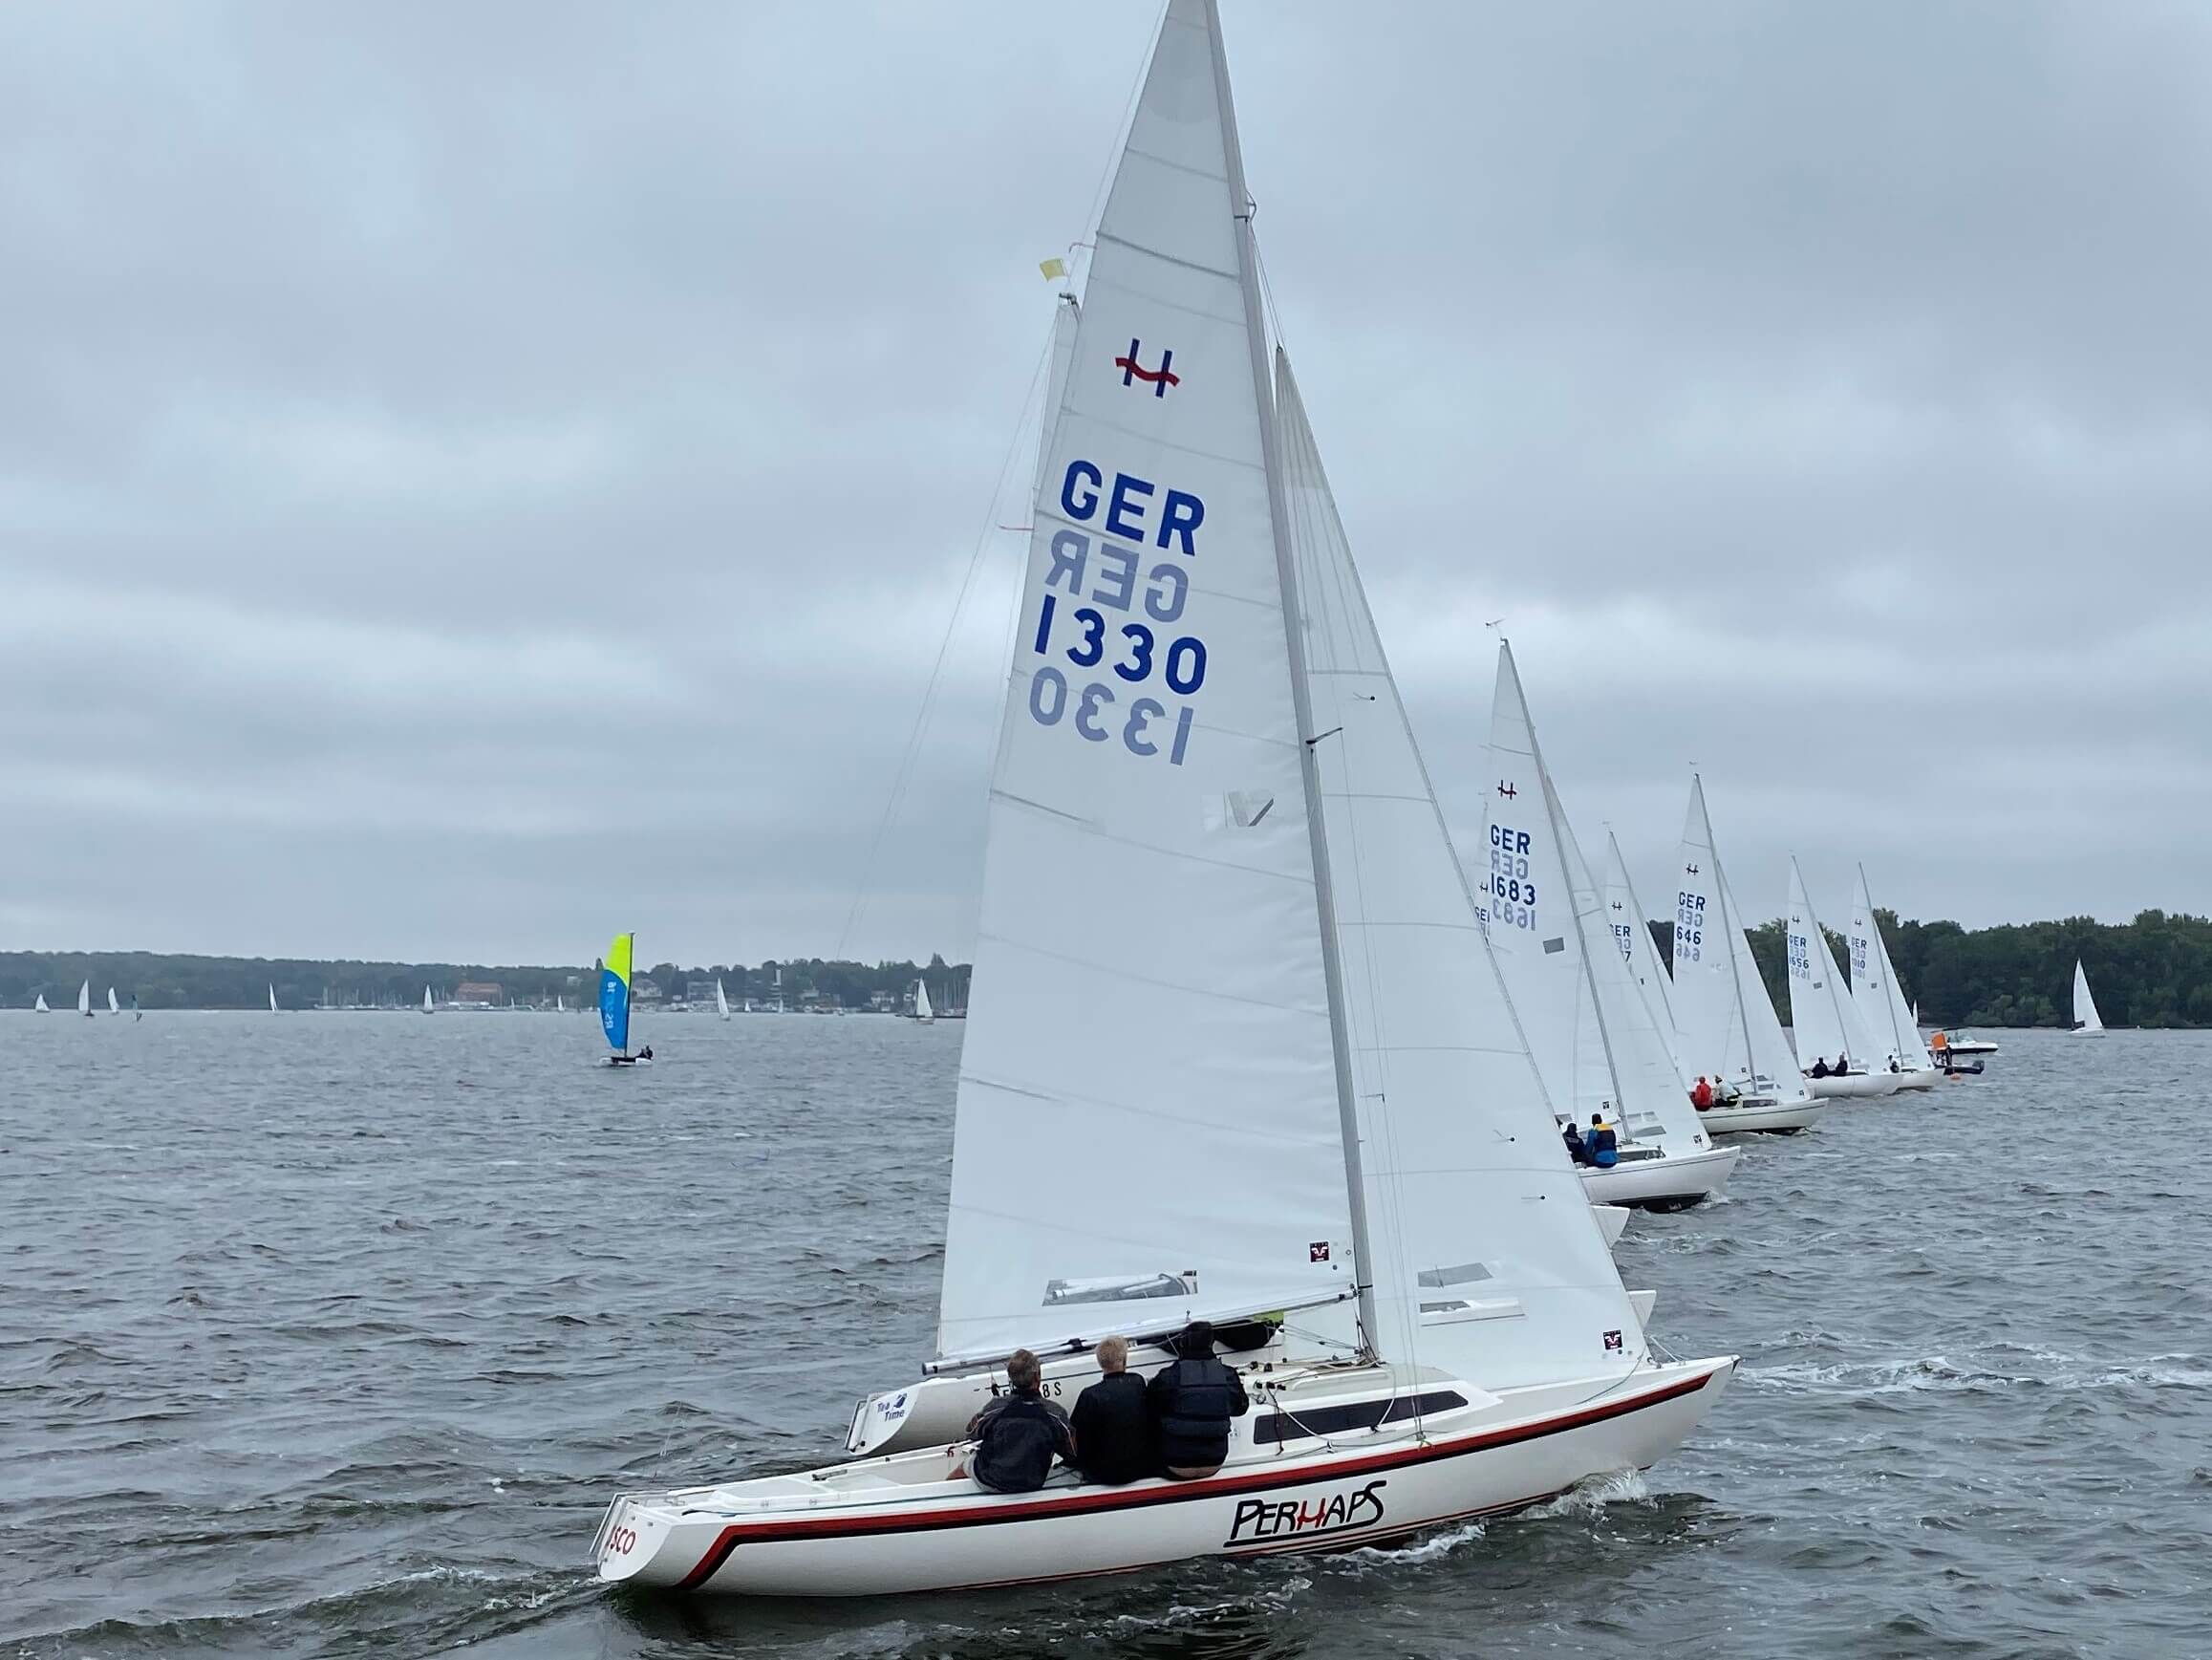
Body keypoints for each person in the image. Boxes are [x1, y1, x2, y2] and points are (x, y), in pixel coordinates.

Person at [963, 1347, 1075, 1494]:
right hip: (1031, 1483)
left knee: (964, 1465)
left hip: (990, 1480)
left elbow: (971, 1432)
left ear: (1011, 1378)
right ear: (1037, 1377)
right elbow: (1071, 1452)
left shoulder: (994, 1408)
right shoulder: (1055, 1413)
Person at [1148, 1321, 1248, 1479]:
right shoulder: (1228, 1374)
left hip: (1175, 1464)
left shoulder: (1169, 1376)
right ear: (1212, 1343)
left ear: (1182, 1343)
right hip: (1215, 1462)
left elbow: (1149, 1407)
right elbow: (1241, 1408)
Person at [1069, 1336, 1153, 1485]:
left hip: (1103, 1474)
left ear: (1100, 1363)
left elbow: (1075, 1435)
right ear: (1124, 1360)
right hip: (1141, 1468)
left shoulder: (1090, 1395)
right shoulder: (1137, 1382)